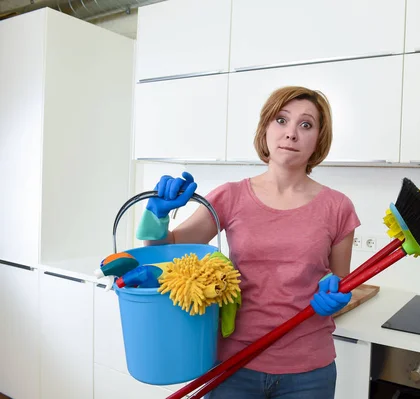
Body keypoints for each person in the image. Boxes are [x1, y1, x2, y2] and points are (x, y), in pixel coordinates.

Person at [136, 86, 361, 398]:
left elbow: (343, 282)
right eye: (281, 120)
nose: (291, 134)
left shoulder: (338, 207)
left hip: (309, 370)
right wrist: (156, 214)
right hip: (234, 366)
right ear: (265, 128)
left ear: (319, 139)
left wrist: (338, 295)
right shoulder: (230, 196)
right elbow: (161, 251)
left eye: (306, 124)